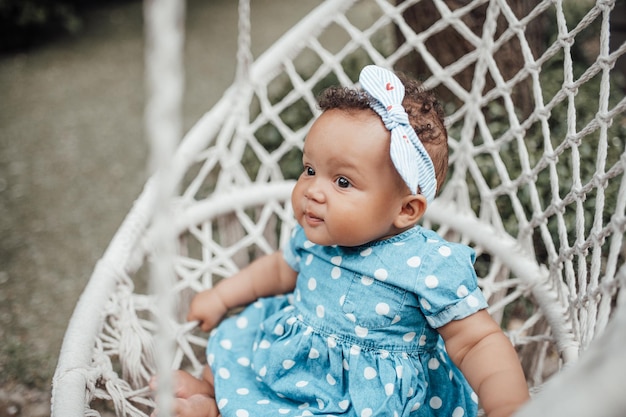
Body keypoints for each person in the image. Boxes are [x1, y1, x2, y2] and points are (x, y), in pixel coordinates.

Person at [153, 65, 530, 417]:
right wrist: (222, 297)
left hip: (368, 399)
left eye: (343, 182)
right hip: (295, 362)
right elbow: (275, 271)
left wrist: (508, 404)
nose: (312, 191)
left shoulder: (429, 266)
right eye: (310, 170)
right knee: (241, 358)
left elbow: (476, 342)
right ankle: (210, 393)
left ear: (407, 210)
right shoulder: (317, 236)